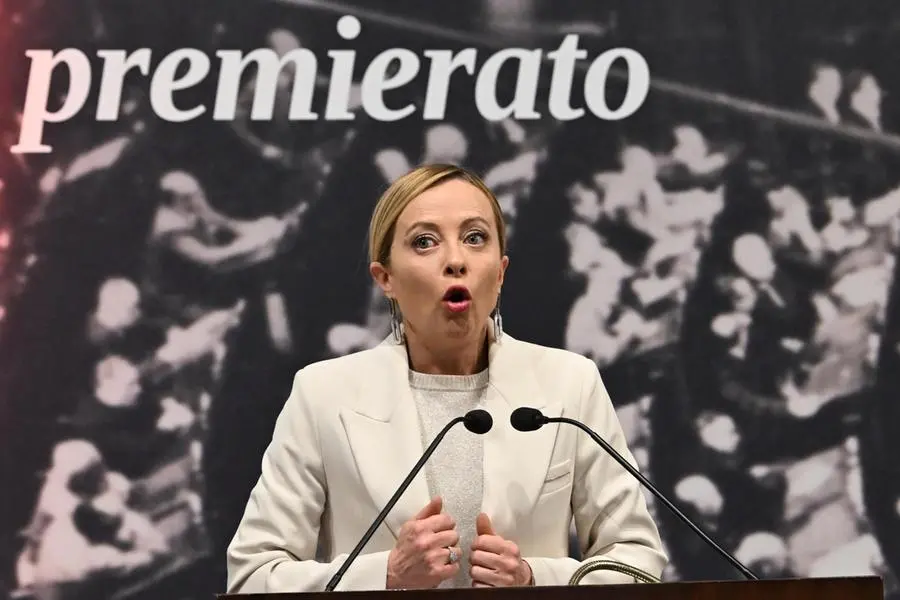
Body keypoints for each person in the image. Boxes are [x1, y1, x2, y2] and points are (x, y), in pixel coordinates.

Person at [226, 164, 667, 592]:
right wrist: (385, 575)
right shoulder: (323, 394)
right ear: (385, 278)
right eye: (425, 242)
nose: (456, 260)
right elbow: (253, 577)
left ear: (500, 271)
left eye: (475, 238)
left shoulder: (570, 384)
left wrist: (534, 579)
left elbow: (638, 561)